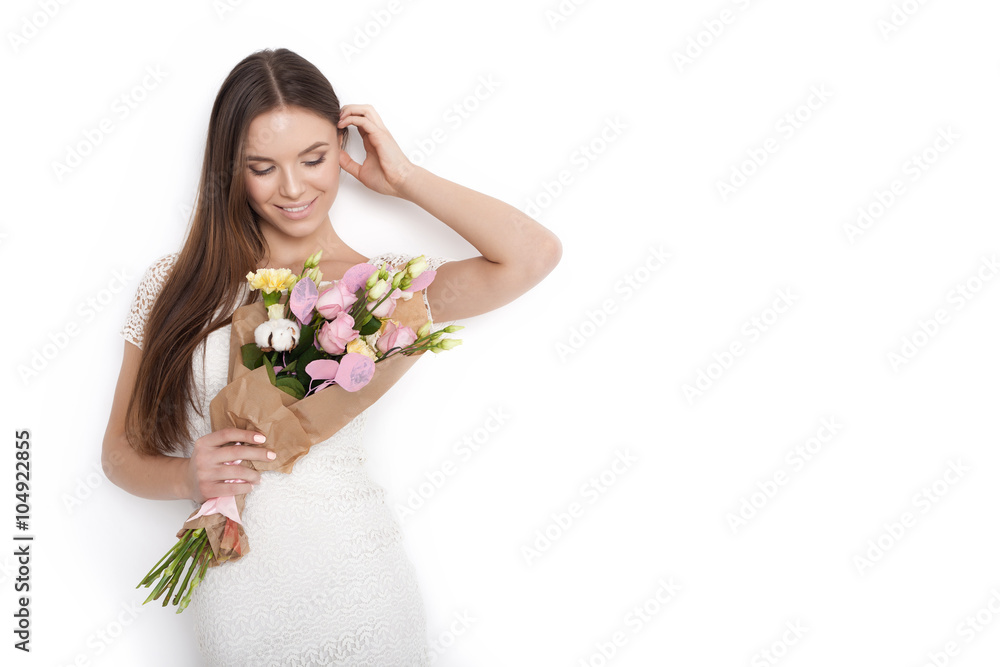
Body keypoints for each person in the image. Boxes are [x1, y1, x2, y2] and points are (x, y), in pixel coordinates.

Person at [101, 47, 561, 665]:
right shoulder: (174, 286)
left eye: (315, 159)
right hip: (237, 598)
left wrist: (405, 179)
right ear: (229, 171)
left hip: (361, 590)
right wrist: (187, 477)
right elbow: (119, 456)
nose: (293, 188)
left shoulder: (383, 289)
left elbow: (531, 255)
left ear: (342, 150)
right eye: (262, 167)